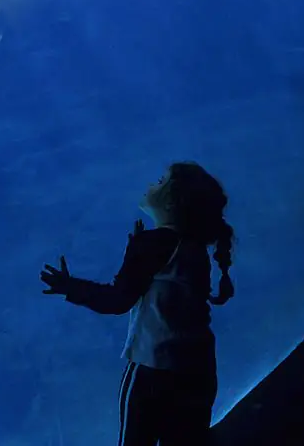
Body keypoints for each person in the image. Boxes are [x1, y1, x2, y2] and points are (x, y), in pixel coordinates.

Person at [40, 161, 235, 446]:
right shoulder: (196, 250)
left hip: (153, 369)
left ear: (171, 201)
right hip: (197, 370)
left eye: (160, 180)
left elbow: (118, 299)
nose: (150, 184)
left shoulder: (154, 244)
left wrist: (70, 287)